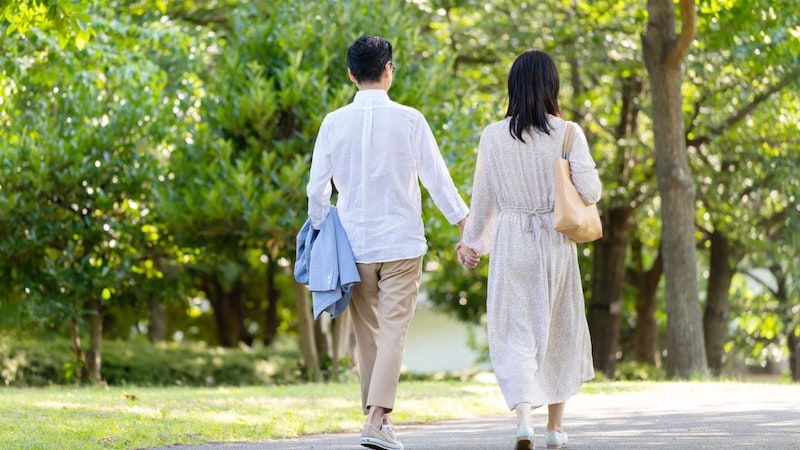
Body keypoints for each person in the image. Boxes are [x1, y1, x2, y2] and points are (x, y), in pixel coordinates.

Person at [306, 35, 469, 450]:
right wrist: (464, 224)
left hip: (354, 246)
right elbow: (437, 179)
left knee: (369, 335)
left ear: (350, 74)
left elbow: (316, 191)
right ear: (388, 70)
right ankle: (377, 420)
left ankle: (376, 421)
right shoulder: (410, 119)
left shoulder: (333, 122)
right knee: (394, 332)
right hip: (401, 243)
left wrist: (322, 228)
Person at [456, 49, 601, 450]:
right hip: (555, 242)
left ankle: (524, 420)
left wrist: (471, 245)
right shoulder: (567, 132)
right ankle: (555, 428)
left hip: (512, 242)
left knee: (515, 334)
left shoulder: (492, 136)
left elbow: (483, 200)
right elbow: (590, 191)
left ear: (513, 88)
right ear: (552, 86)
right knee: (559, 331)